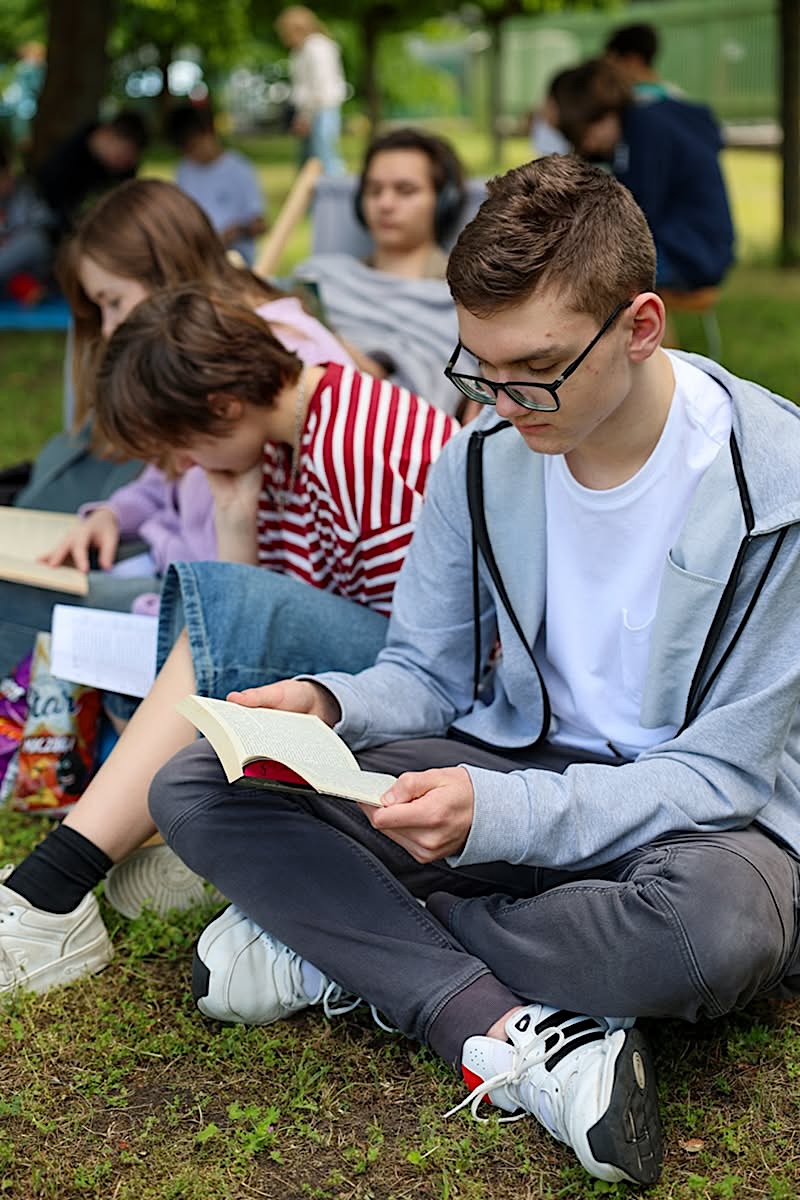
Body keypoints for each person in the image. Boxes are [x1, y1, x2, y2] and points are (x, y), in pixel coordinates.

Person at [145, 155, 800, 1188]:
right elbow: (426, 672)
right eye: (478, 369)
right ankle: (497, 1017)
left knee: (708, 938)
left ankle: (348, 944)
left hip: (705, 822)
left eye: (534, 369)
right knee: (196, 781)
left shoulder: (775, 484)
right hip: (518, 760)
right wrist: (329, 703)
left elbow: (718, 775)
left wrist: (495, 818)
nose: (503, 402)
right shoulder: (483, 451)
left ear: (640, 327)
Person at [0, 283, 457, 970]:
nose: (183, 465)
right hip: (359, 672)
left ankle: (54, 888)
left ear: (223, 406)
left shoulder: (361, 444)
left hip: (427, 688)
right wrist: (235, 519)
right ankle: (121, 859)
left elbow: (427, 651)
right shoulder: (282, 439)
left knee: (226, 612)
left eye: (181, 444)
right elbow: (254, 632)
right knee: (204, 627)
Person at [0, 177, 353, 679]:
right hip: (175, 573)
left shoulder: (265, 367)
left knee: (18, 606)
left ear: (168, 272)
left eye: (114, 301)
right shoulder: (201, 353)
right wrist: (113, 514)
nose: (108, 327)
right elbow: (165, 475)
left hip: (208, 600)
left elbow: (262, 585)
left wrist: (153, 618)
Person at [293, 127, 469, 416]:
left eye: (405, 190)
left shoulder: (463, 302)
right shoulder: (323, 277)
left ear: (443, 202)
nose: (385, 204)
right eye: (374, 191)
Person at [552, 58, 734, 291]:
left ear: (606, 112)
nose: (588, 145)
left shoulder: (647, 133)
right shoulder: (642, 125)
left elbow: (637, 217)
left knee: (584, 277)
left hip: (690, 254)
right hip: (694, 247)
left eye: (587, 134)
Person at [165, 103, 267, 267]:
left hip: (235, 258)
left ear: (208, 133)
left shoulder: (239, 170)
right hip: (198, 258)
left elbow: (260, 225)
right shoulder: (184, 170)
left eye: (194, 146)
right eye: (186, 151)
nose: (193, 155)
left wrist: (236, 231)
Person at [33, 110, 149, 243]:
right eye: (122, 155)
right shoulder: (64, 162)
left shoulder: (125, 168)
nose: (125, 164)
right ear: (107, 135)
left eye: (130, 160)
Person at [275, 6, 346, 175]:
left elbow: (319, 85)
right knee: (307, 161)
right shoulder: (300, 51)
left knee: (325, 159)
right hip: (312, 110)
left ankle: (335, 190)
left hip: (322, 109)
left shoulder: (317, 47)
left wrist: (306, 116)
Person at [0, 138, 54, 302]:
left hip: (23, 255)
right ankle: (23, 287)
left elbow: (43, 227)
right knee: (15, 277)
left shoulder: (24, 191)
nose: (9, 180)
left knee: (35, 241)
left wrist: (10, 239)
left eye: (8, 174)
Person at [604, 23, 682, 104]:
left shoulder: (625, 101)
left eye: (612, 63)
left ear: (632, 60)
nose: (609, 70)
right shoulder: (676, 95)